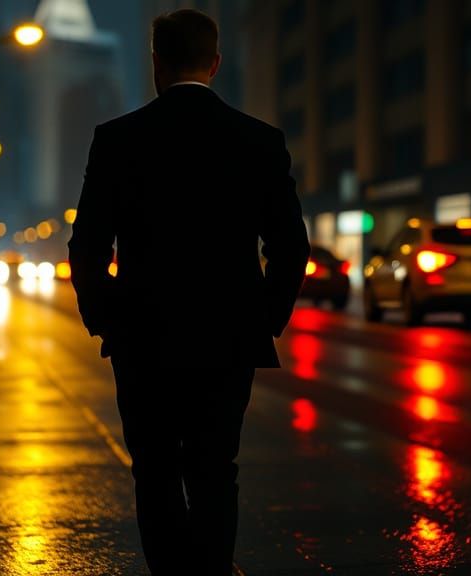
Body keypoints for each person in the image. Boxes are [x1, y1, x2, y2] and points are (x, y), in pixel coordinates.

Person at [68, 8, 309, 575]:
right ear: (216, 63)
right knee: (214, 468)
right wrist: (264, 319)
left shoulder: (117, 140)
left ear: (155, 62)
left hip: (143, 338)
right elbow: (290, 247)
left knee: (154, 471)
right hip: (228, 339)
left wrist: (107, 318)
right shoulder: (260, 141)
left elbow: (87, 247)